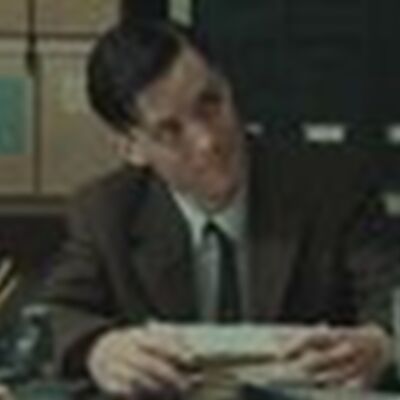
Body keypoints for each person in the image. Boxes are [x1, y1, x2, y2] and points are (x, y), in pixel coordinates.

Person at [44, 21, 395, 399]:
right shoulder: (105, 212)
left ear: (229, 87)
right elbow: (56, 315)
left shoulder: (332, 187)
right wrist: (99, 351)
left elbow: (389, 292)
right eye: (171, 130)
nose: (207, 141)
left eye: (210, 103)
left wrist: (381, 344)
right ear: (131, 148)